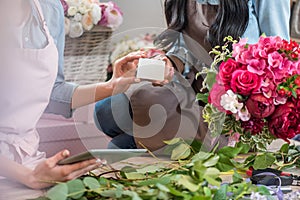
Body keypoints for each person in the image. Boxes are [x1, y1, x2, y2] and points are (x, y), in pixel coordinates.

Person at [94, 0, 290, 150]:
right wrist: (167, 63)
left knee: (121, 144)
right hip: (196, 95)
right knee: (104, 111)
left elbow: (281, 60)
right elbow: (183, 49)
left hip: (234, 116)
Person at [0, 0, 147, 190]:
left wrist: (111, 86)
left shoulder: (49, 8)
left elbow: (52, 92)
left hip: (30, 161)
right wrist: (27, 176)